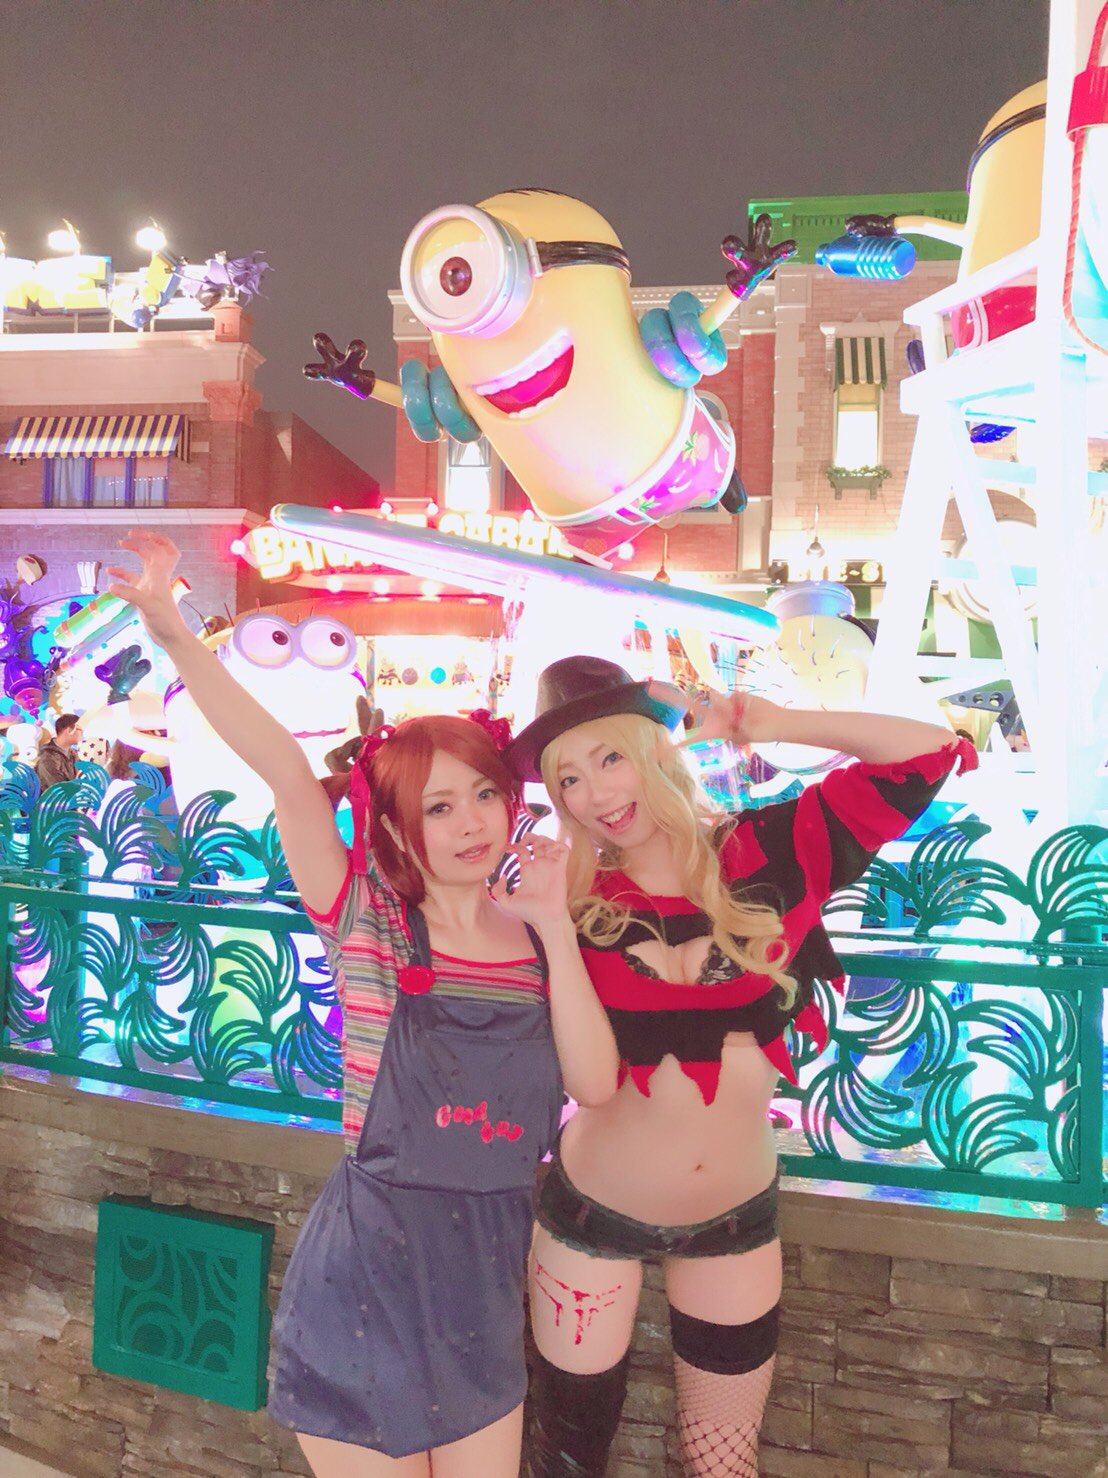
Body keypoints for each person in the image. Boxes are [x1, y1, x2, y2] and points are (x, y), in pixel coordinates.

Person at [107, 533, 618, 1478]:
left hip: (483, 1293)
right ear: (395, 825)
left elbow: (594, 1082)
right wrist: (174, 635)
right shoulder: (367, 923)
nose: (469, 822)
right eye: (437, 807)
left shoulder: (538, 938)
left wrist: (555, 927)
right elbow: (283, 770)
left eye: (484, 795)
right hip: (363, 1286)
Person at [504, 656, 976, 1478]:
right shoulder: (570, 897)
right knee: (568, 1458)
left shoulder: (774, 848)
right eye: (568, 778)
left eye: (610, 758)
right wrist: (551, 928)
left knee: (723, 1463)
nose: (594, 794)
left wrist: (768, 723)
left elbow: (929, 754)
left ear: (654, 750)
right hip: (591, 1218)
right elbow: (592, 1084)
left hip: (734, 1220)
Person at [35, 713, 82, 790]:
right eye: (80, 730)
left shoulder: (74, 753)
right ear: (69, 731)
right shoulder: (47, 758)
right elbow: (61, 790)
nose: (82, 733)